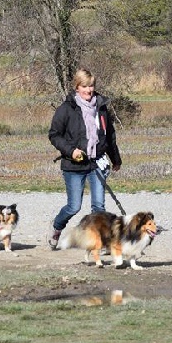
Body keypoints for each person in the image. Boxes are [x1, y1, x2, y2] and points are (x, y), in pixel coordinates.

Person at [47, 68, 122, 249]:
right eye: (85, 86)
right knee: (74, 206)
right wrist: (71, 151)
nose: (89, 90)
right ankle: (56, 227)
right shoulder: (66, 109)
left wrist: (116, 159)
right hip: (74, 165)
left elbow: (109, 135)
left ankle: (99, 241)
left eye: (92, 86)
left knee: (98, 207)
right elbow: (54, 135)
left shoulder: (101, 108)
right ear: (77, 87)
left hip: (97, 162)